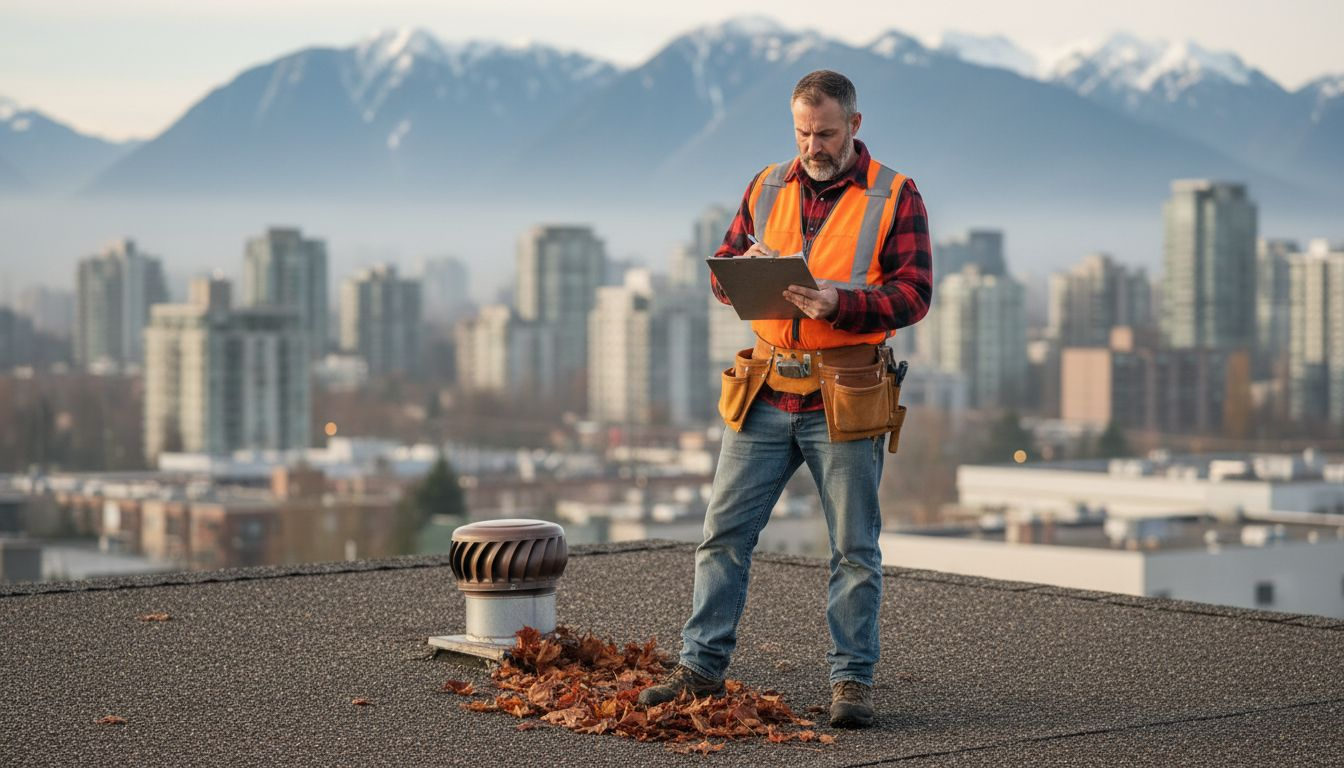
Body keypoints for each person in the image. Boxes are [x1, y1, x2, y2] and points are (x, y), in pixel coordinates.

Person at [637, 70, 933, 728]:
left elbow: (914, 294)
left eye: (825, 132)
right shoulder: (766, 185)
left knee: (854, 548)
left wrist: (839, 301)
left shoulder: (895, 194)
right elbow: (722, 264)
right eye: (802, 131)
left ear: (855, 125)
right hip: (766, 387)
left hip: (847, 388)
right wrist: (744, 276)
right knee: (722, 536)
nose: (812, 145)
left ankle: (851, 683)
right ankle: (700, 670)